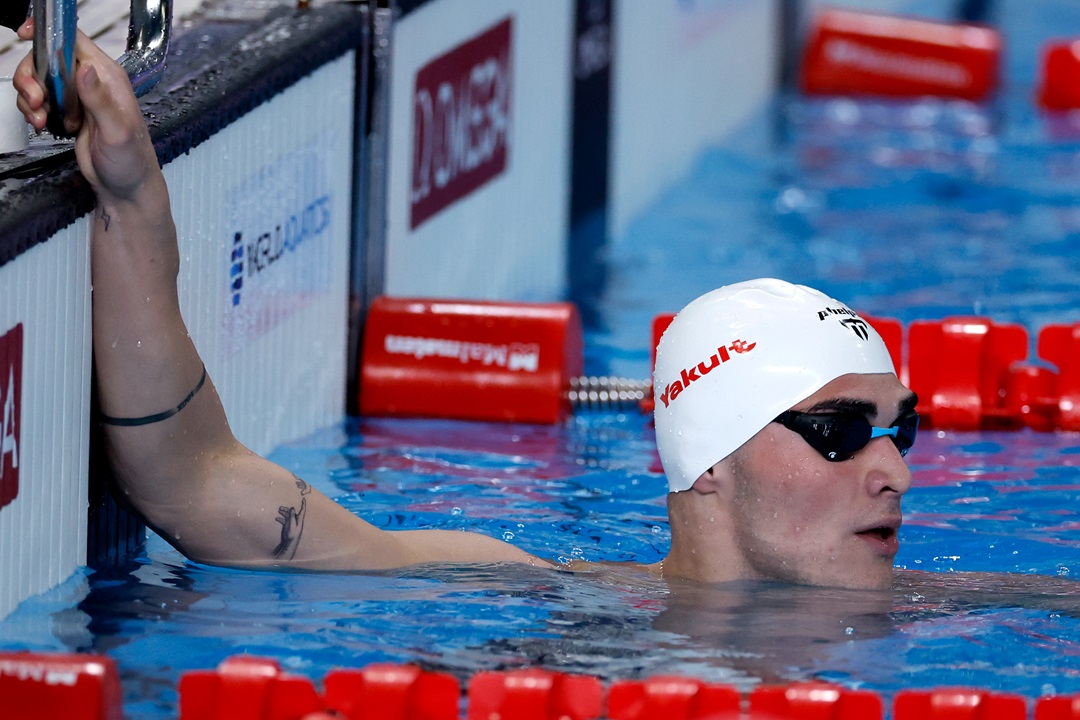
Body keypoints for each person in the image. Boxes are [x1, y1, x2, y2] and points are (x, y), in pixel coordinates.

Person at [13, 26, 918, 591]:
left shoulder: (971, 619)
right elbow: (194, 482)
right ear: (711, 458)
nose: (896, 473)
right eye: (841, 431)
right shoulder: (536, 601)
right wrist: (133, 197)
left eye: (899, 431)